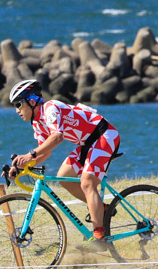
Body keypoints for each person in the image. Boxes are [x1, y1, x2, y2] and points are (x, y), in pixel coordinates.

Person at [9, 80, 121, 242]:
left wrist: (30, 155)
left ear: (32, 102)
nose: (17, 110)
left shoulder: (50, 109)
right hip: (87, 142)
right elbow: (44, 152)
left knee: (87, 182)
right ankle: (102, 209)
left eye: (18, 105)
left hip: (104, 135)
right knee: (64, 177)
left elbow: (57, 137)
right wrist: (21, 166)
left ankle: (99, 236)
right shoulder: (37, 122)